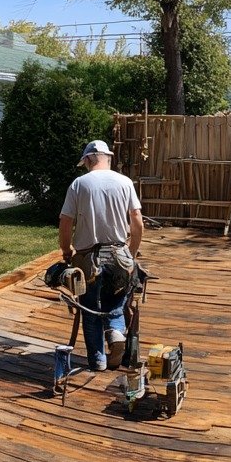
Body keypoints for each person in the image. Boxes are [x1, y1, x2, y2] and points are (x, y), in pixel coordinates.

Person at [58, 140, 144, 371]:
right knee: (115, 305)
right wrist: (131, 253)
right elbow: (137, 220)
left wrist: (66, 250)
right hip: (119, 255)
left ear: (87, 160)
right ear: (108, 157)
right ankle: (116, 334)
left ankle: (98, 361)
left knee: (89, 310)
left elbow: (65, 222)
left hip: (87, 259)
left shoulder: (79, 184)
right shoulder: (125, 182)